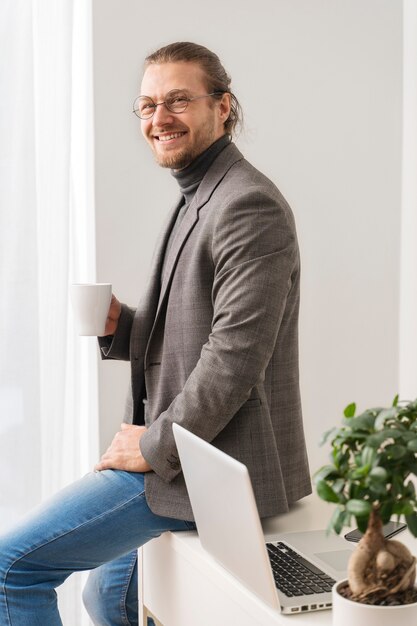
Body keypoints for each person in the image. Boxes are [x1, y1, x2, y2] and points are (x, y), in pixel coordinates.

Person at [0, 42, 311, 625]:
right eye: (146, 106)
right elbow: (203, 322)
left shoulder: (248, 205)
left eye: (176, 101)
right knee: (108, 598)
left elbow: (235, 359)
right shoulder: (202, 189)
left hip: (206, 462)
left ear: (223, 107)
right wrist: (127, 327)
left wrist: (148, 447)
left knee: (11, 569)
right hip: (184, 451)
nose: (158, 119)